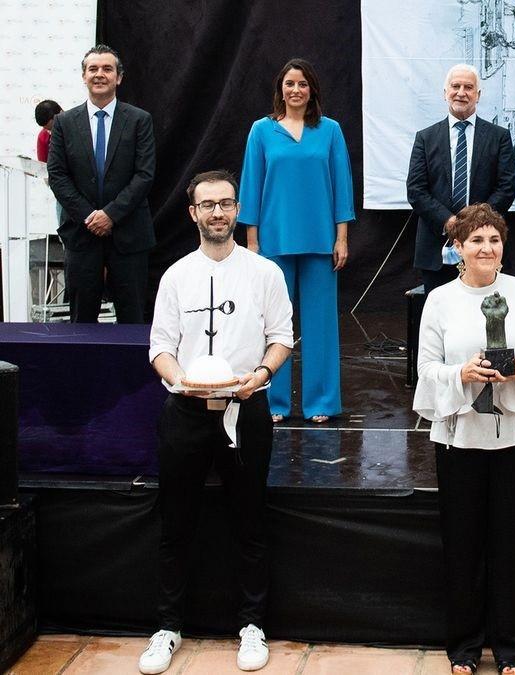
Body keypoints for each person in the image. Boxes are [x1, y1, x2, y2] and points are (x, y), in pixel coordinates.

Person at [140, 170, 293, 674]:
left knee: (249, 520)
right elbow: (160, 346)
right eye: (208, 205)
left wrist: (261, 375)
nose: (218, 213)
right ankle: (167, 627)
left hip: (244, 409)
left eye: (226, 203)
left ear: (236, 209)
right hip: (185, 412)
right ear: (193, 213)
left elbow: (282, 337)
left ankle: (251, 625)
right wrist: (180, 378)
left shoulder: (264, 272)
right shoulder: (176, 275)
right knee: (176, 523)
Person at [412, 203, 515, 675]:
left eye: (494, 240)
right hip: (461, 441)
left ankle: (511, 650)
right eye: (476, 240)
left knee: (512, 545)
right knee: (462, 545)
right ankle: (464, 648)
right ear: (457, 247)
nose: (487, 248)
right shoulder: (439, 300)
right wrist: (462, 372)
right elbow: (426, 371)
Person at [239, 57, 354, 424]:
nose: (296, 90)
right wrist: (252, 243)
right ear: (280, 90)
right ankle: (273, 402)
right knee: (274, 324)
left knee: (321, 324)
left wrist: (342, 237)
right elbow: (251, 186)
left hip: (321, 241)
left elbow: (342, 187)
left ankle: (321, 402)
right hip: (273, 241)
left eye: (302, 84)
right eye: (289, 83)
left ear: (312, 90)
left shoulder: (330, 130)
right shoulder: (261, 130)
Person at [47, 45, 155, 323]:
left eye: (107, 69)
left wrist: (110, 215)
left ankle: (130, 369)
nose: (99, 74)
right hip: (81, 236)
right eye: (93, 69)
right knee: (81, 321)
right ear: (83, 76)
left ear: (118, 77)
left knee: (132, 319)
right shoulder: (63, 123)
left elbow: (144, 175)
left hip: (129, 234)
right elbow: (57, 175)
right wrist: (89, 216)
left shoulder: (139, 120)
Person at [408, 63, 515, 292]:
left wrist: (474, 224)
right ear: (445, 92)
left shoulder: (499, 137)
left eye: (468, 87)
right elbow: (416, 190)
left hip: (483, 246)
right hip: (436, 248)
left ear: (478, 95)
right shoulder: (425, 138)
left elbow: (506, 189)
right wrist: (450, 222)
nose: (461, 92)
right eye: (455, 86)